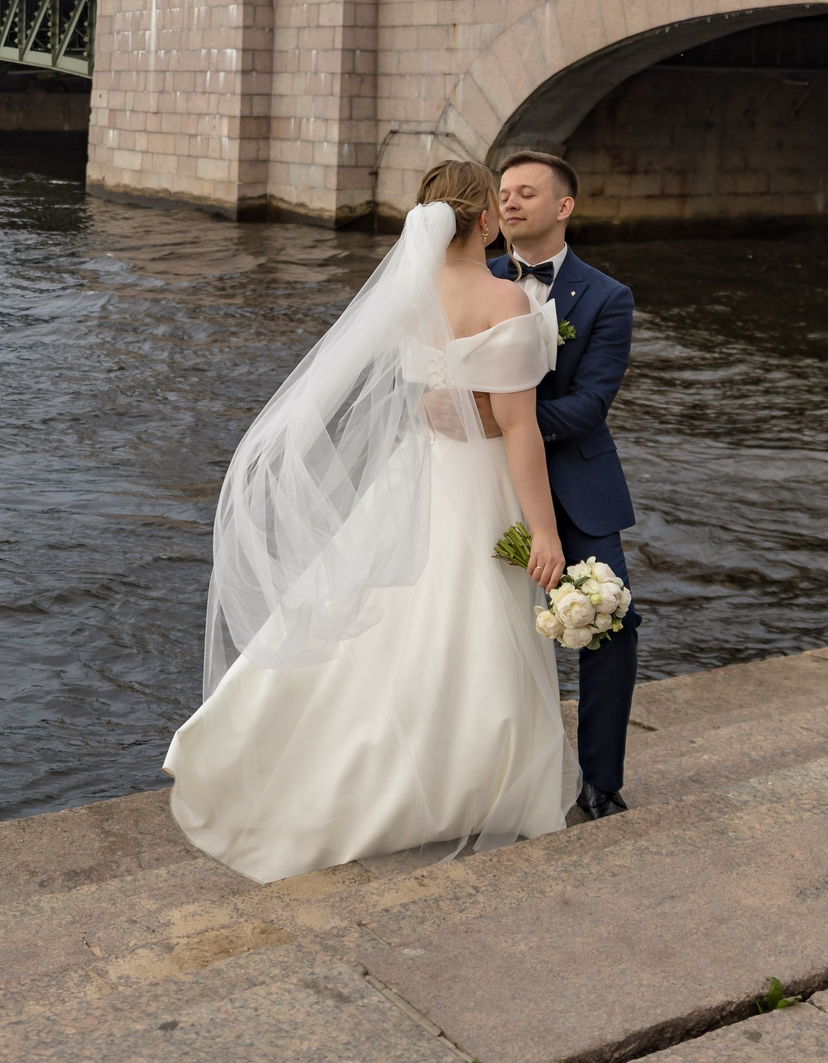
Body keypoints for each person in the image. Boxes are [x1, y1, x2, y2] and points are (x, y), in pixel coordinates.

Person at [164, 161, 567, 882]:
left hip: (416, 475)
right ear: (484, 221)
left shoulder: (411, 298)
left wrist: (437, 408)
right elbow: (519, 429)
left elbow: (410, 396)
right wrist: (544, 529)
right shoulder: (505, 298)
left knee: (394, 615)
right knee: (474, 622)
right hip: (479, 483)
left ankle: (330, 761)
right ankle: (473, 782)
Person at [492, 150, 639, 820]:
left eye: (526, 192)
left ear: (564, 206)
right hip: (484, 483)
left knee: (612, 621)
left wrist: (504, 421)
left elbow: (590, 404)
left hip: (575, 486)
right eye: (503, 193)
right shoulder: (474, 280)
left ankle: (599, 784)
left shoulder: (607, 296)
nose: (510, 202)